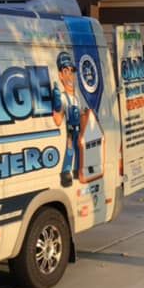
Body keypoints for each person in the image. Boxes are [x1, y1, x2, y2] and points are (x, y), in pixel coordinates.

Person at [51, 51, 89, 187]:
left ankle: (78, 170)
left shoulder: (77, 98)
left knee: (79, 150)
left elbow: (82, 115)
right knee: (69, 150)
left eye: (72, 71)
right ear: (60, 75)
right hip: (71, 130)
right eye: (66, 71)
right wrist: (56, 104)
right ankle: (66, 173)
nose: (70, 76)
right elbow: (57, 121)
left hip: (78, 130)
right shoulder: (62, 97)